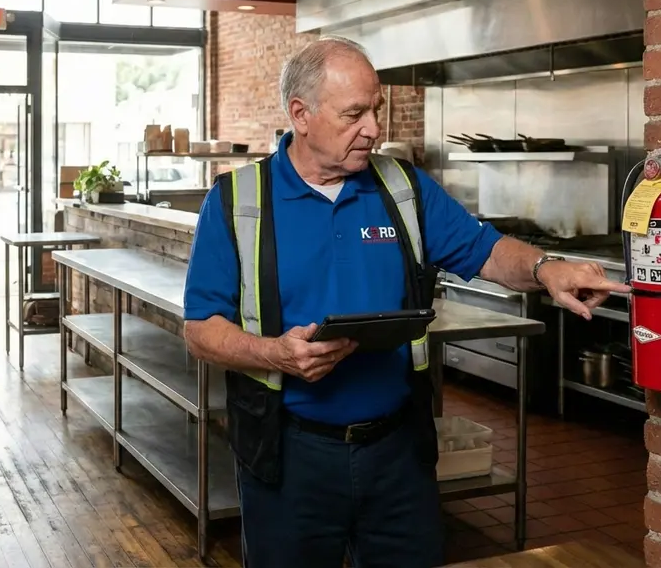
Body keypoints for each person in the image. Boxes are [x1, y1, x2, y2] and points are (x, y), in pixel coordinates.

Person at [182, 36, 628, 568]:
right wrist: (274, 354)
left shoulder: (404, 188)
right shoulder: (235, 201)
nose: (374, 128)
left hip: (398, 454)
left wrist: (543, 267)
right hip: (289, 456)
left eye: (376, 109)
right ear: (301, 115)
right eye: (355, 114)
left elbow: (484, 250)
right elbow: (201, 328)